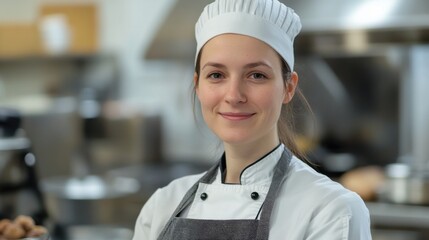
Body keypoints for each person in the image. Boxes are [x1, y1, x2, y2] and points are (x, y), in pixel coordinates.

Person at [132, 0, 372, 239]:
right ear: (197, 85)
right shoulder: (161, 207)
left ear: (288, 87)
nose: (234, 95)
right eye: (216, 75)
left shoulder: (330, 212)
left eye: (257, 75)